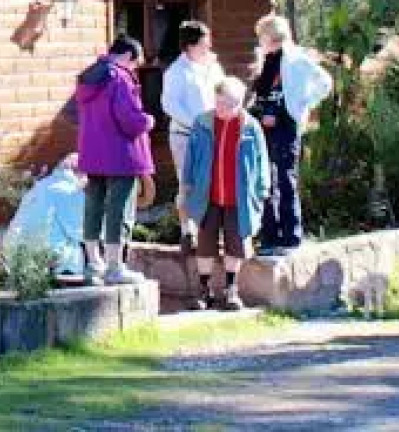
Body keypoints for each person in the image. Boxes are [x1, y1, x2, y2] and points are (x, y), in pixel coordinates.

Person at [181, 78, 271, 310]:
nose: (220, 108)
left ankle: (231, 291)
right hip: (206, 195)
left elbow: (262, 162)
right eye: (218, 102)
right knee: (205, 245)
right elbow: (189, 158)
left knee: (235, 245)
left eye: (226, 104)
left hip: (238, 199)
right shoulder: (202, 123)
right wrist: (187, 185)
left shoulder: (251, 127)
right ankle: (204, 291)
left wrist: (262, 191)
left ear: (239, 103)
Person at [74, 35, 155, 285]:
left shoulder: (89, 75)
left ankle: (92, 264)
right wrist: (148, 121)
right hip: (121, 154)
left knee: (94, 205)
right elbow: (129, 119)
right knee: (119, 209)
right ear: (130, 57)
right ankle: (114, 266)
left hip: (93, 151)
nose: (135, 69)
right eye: (136, 64)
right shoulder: (120, 77)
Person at [249, 14, 333, 254]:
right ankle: (269, 236)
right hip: (263, 124)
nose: (260, 40)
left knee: (285, 179)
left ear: (271, 34)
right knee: (265, 179)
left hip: (285, 124)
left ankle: (291, 236)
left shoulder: (296, 59)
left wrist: (300, 105)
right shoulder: (265, 58)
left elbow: (324, 82)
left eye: (262, 35)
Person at [159, 20, 225, 238]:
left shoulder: (213, 67)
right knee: (188, 183)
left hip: (212, 134)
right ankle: (188, 231)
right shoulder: (176, 72)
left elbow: (223, 93)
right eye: (203, 45)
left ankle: (210, 229)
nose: (208, 48)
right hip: (185, 136)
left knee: (212, 181)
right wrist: (195, 122)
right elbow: (169, 104)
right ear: (189, 46)